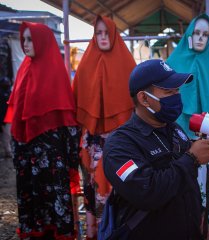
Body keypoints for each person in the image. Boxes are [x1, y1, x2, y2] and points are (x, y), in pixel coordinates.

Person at [103, 59, 209, 240]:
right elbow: (147, 191)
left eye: (177, 90)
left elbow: (187, 183)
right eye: (168, 91)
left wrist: (199, 215)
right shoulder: (119, 145)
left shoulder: (174, 129)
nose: (176, 96)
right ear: (144, 98)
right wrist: (192, 158)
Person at [5, 22, 80, 239]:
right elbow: (17, 111)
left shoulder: (55, 72)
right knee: (32, 201)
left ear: (42, 41)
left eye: (30, 39)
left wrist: (71, 159)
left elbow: (67, 120)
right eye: (24, 39)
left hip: (50, 157)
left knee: (53, 200)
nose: (25, 44)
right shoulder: (23, 70)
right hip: (26, 153)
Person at [72, 15, 136, 238]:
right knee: (94, 191)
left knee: (118, 194)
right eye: (98, 33)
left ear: (114, 33)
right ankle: (95, 233)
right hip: (92, 144)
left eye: (106, 32)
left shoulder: (127, 63)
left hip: (120, 144)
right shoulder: (86, 63)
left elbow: (136, 104)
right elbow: (78, 99)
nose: (102, 37)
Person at [166, 13, 209, 239]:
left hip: (208, 140)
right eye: (197, 33)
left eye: (205, 34)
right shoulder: (173, 64)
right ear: (189, 36)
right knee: (184, 192)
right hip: (178, 141)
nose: (201, 38)